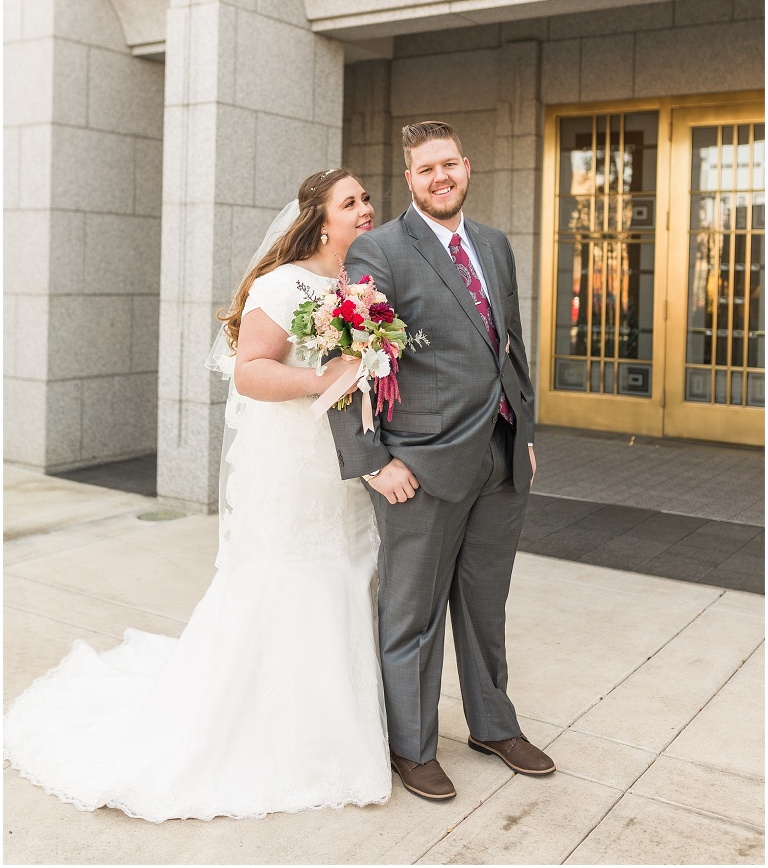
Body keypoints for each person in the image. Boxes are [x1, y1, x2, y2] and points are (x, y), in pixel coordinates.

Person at [4, 168, 391, 823]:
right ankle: (278, 733)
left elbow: (361, 370)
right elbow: (252, 371)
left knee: (345, 577)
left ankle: (333, 722)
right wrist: (321, 376)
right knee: (293, 580)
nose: (366, 208)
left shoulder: (352, 286)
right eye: (350, 201)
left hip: (340, 464)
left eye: (364, 199)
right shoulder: (282, 284)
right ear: (320, 220)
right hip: (294, 466)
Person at [327, 121, 556, 802]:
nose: (440, 177)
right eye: (425, 169)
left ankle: (492, 724)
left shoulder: (495, 244)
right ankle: (412, 747)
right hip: (420, 466)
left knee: (486, 606)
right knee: (413, 614)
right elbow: (346, 365)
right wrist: (372, 461)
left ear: (467, 165)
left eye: (449, 164)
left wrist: (526, 431)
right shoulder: (381, 249)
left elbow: (507, 342)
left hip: (501, 458)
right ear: (410, 179)